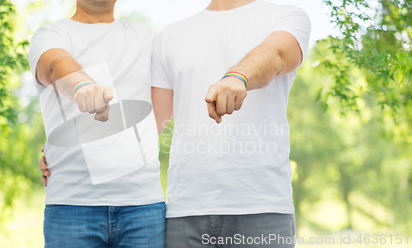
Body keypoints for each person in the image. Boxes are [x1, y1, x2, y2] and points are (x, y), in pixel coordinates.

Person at [151, 0, 311, 247]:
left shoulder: (285, 16)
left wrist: (238, 77)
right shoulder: (169, 36)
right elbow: (150, 123)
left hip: (262, 208)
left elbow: (277, 54)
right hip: (186, 210)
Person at [29, 0, 165, 247]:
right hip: (72, 205)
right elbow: (55, 64)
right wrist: (82, 86)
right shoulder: (52, 35)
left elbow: (163, 107)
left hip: (143, 204)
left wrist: (123, 151)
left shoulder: (149, 40)